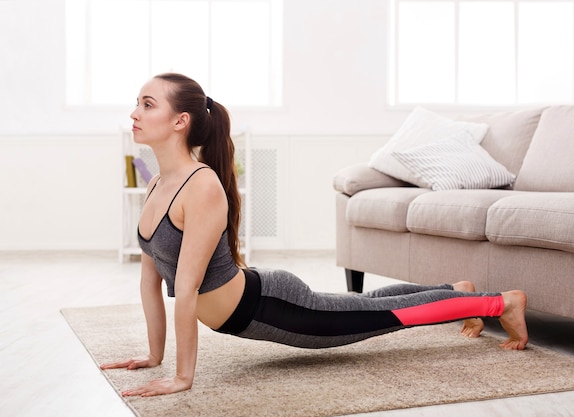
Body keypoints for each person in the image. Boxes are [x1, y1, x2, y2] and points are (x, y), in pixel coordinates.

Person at [101, 73, 528, 397]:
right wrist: (154, 357)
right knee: (364, 304)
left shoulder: (202, 186)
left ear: (180, 120)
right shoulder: (157, 184)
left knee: (381, 317)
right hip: (259, 301)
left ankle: (498, 303)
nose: (134, 113)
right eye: (136, 104)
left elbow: (188, 290)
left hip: (274, 308)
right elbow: (150, 284)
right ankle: (456, 293)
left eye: (147, 104)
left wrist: (180, 378)